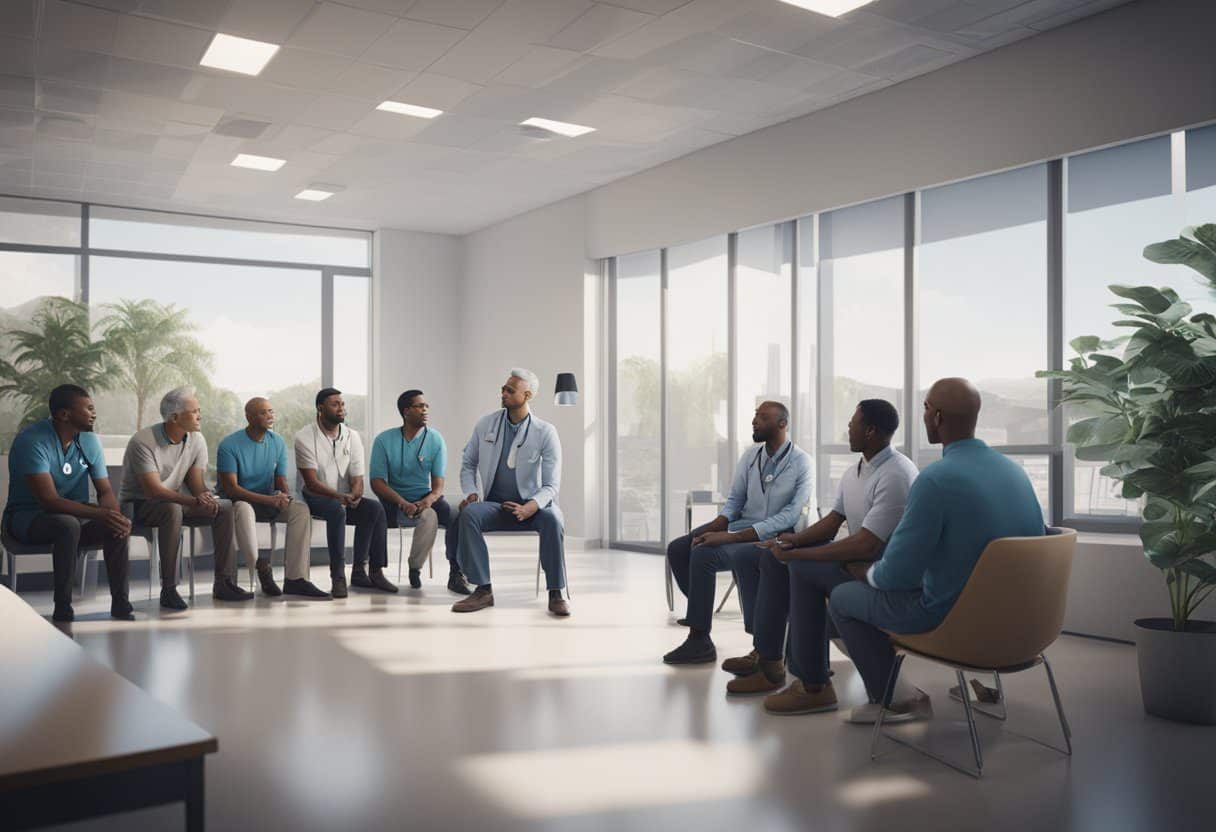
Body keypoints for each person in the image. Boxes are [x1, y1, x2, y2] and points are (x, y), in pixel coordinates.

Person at [823, 378, 1045, 723]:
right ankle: (974, 684)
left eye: (926, 408)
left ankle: (896, 700)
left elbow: (893, 576)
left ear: (937, 417)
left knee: (842, 597)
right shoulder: (1015, 472)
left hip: (956, 624)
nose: (924, 416)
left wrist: (861, 570)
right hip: (1022, 625)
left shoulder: (936, 479)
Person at [744, 400, 919, 714]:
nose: (847, 429)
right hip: (855, 566)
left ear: (870, 431)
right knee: (775, 558)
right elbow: (834, 519)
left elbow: (866, 544)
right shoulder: (856, 471)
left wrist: (802, 554)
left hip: (879, 576)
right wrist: (792, 540)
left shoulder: (896, 475)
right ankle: (769, 661)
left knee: (800, 567)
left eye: (852, 424)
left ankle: (814, 685)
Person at [663, 401, 812, 665]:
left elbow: (791, 515)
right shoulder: (751, 456)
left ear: (782, 424)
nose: (754, 421)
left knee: (703, 554)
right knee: (679, 548)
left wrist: (731, 537)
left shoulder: (802, 462)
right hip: (742, 526)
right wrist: (718, 523)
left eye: (763, 417)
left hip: (775, 534)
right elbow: (735, 499)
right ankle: (700, 610)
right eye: (755, 415)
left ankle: (699, 638)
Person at [3, 384, 133, 622]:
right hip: (28, 519)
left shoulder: (89, 441)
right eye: (89, 409)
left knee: (117, 520)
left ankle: (121, 604)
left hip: (76, 519)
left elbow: (104, 490)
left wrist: (112, 516)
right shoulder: (32, 442)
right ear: (64, 415)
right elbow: (49, 501)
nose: (94, 414)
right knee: (67, 524)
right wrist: (101, 514)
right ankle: (63, 606)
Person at [121, 386, 251, 610]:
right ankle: (169, 589)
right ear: (174, 417)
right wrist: (193, 501)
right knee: (172, 509)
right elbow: (153, 491)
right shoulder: (142, 441)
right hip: (140, 505)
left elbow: (195, 482)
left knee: (225, 506)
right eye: (194, 411)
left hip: (176, 502)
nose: (200, 415)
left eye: (199, 410)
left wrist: (205, 497)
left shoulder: (196, 439)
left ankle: (223, 582)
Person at [452, 369, 568, 616]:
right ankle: (483, 589)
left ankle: (556, 591)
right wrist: (472, 493)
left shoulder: (546, 432)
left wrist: (531, 506)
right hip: (496, 505)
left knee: (553, 519)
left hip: (532, 507)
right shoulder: (486, 424)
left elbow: (551, 486)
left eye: (510, 390)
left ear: (527, 395)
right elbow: (468, 463)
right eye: (503, 388)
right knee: (469, 514)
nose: (503, 393)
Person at [217, 398, 329, 600]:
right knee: (243, 508)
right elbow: (232, 489)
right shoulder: (229, 445)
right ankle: (260, 566)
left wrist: (283, 495)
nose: (270, 416)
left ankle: (296, 579)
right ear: (249, 417)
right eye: (263, 412)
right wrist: (268, 500)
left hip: (267, 501)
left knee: (300, 509)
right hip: (239, 502)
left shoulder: (277, 441)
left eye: (271, 411)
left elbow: (280, 480)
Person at [294, 387, 395, 598]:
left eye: (342, 404)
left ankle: (369, 571)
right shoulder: (304, 436)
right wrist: (341, 498)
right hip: (315, 497)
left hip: (345, 496)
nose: (341, 408)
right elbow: (311, 483)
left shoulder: (352, 436)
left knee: (375, 509)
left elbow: (357, 477)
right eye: (335, 404)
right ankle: (338, 577)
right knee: (336, 511)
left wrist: (355, 494)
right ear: (320, 408)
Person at [369, 389, 471, 593]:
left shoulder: (435, 439)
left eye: (426, 406)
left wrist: (428, 501)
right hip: (393, 498)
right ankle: (374, 572)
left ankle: (453, 572)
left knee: (455, 515)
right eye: (419, 406)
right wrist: (402, 502)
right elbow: (377, 482)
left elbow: (438, 485)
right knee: (373, 513)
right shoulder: (383, 440)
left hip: (425, 497)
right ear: (406, 411)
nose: (425, 410)